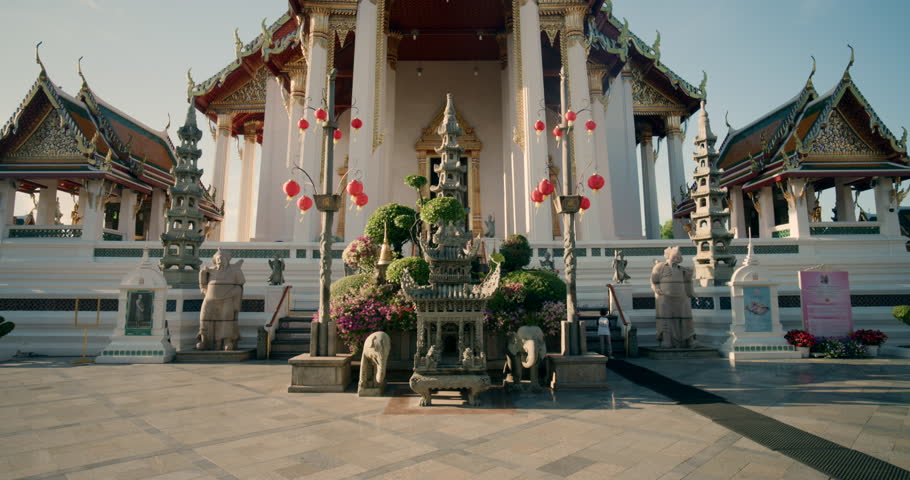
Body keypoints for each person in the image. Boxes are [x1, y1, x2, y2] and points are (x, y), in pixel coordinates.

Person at [197, 249, 245, 350]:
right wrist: (204, 287)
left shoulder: (234, 270)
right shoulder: (209, 271)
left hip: (227, 298)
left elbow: (240, 284)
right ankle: (204, 339)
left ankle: (226, 340)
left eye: (222, 259)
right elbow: (202, 285)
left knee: (226, 320)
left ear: (227, 260)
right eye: (218, 259)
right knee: (204, 318)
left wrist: (233, 293)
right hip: (210, 299)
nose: (220, 261)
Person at [650, 246, 696, 348]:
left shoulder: (683, 270)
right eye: (674, 256)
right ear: (668, 255)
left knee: (686, 318)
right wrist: (656, 289)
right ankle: (667, 340)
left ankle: (689, 339)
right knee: (666, 319)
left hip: (681, 298)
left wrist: (689, 276)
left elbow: (688, 283)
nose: (677, 258)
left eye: (679, 256)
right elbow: (654, 281)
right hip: (665, 297)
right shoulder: (660, 267)